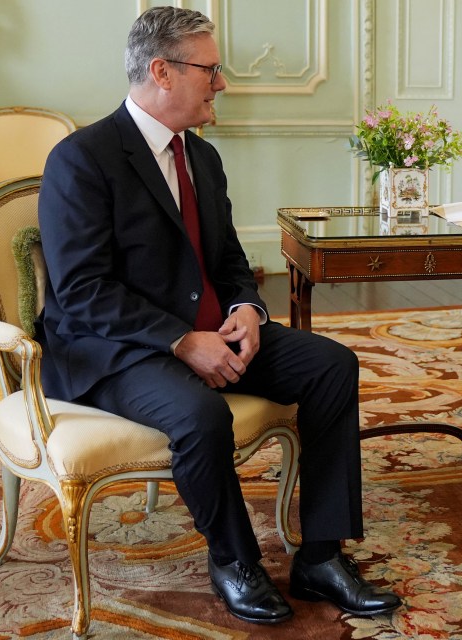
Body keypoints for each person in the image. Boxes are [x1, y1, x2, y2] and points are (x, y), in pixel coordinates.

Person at [36, 6, 402, 626]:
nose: (223, 82)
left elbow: (231, 259)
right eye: (212, 69)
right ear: (163, 71)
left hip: (209, 330)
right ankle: (234, 561)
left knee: (331, 365)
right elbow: (82, 291)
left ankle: (320, 556)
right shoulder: (82, 158)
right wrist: (183, 341)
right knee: (200, 414)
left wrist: (246, 311)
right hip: (117, 348)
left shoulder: (201, 158)